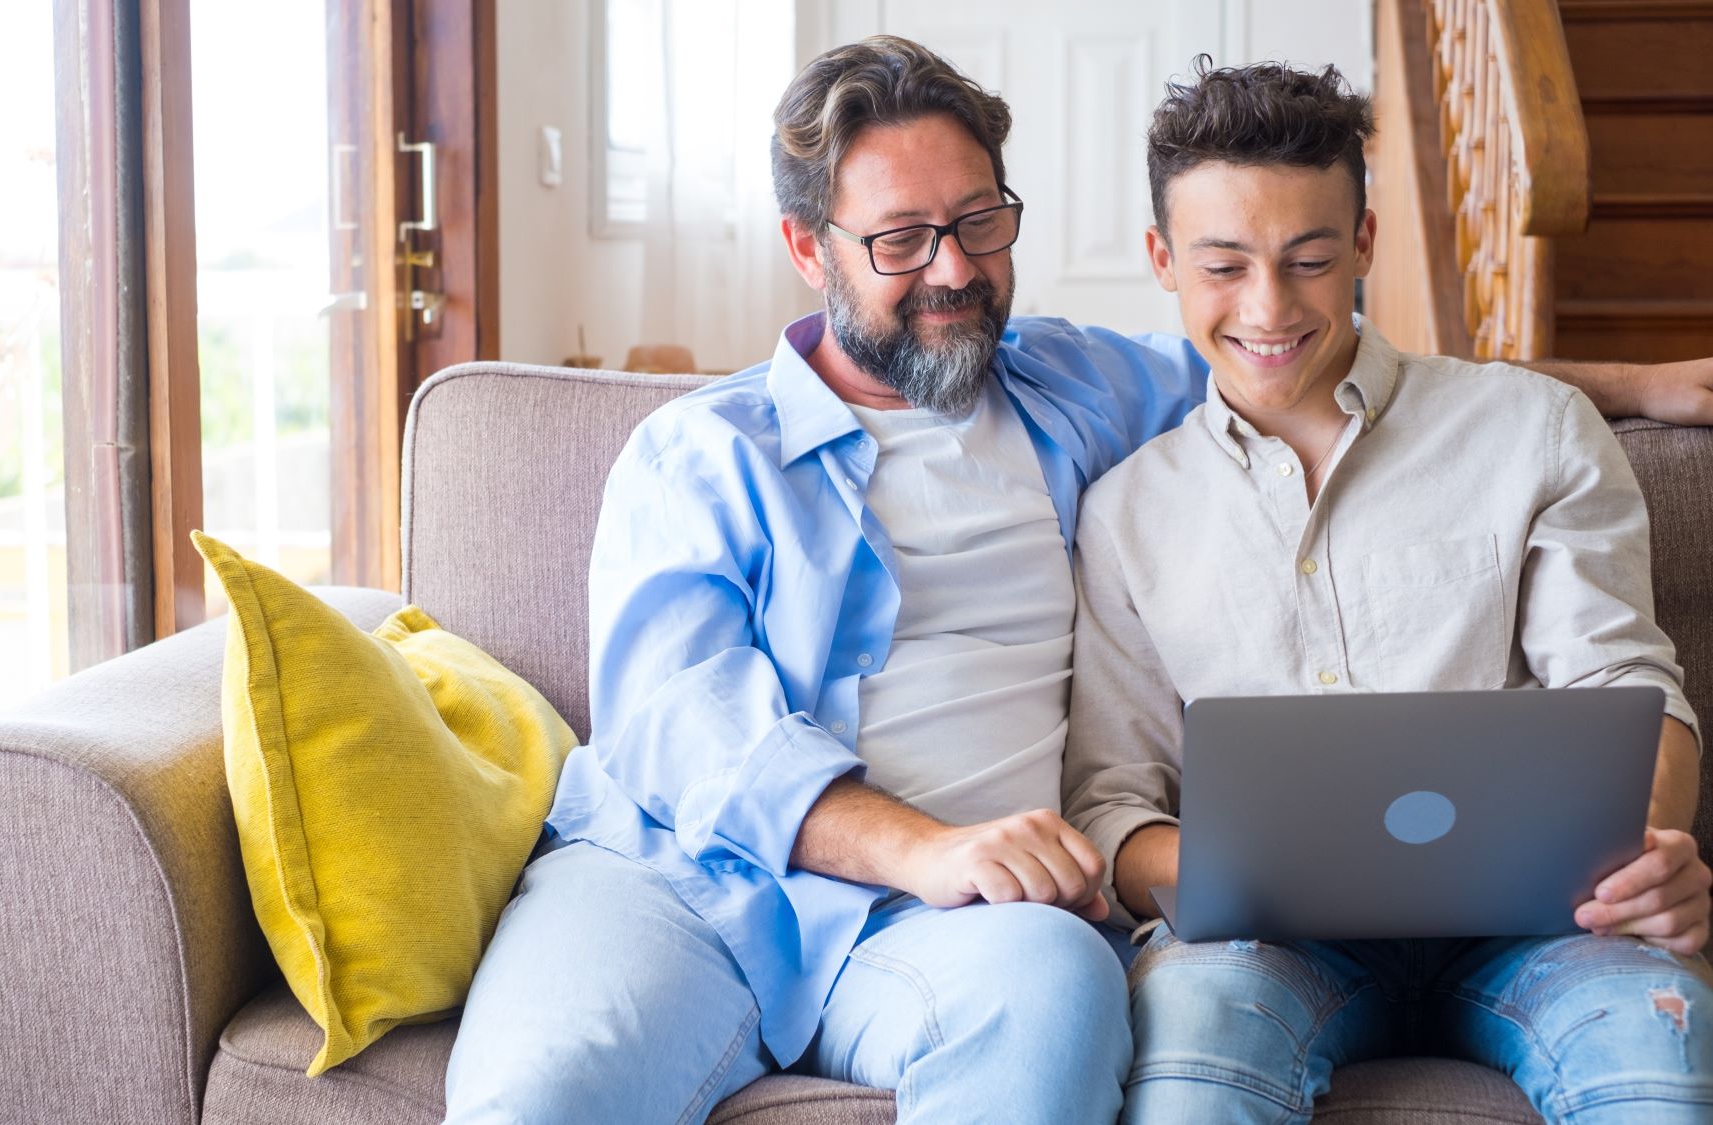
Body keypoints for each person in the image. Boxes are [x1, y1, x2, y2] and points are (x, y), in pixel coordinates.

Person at [443, 37, 1713, 1125]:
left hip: (958, 931)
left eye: (978, 222)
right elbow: (679, 728)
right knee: (540, 1092)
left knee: (1054, 1006)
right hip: (682, 888)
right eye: (898, 238)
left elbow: (1306, 355)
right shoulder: (701, 453)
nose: (950, 269)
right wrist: (926, 850)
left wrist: (1632, 389)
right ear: (804, 245)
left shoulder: (1077, 393)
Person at [1062, 59, 1713, 1123]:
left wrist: (1643, 852)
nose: (1266, 308)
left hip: (1545, 928)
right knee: (1189, 1062)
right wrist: (1249, 870)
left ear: (1361, 245)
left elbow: (1625, 683)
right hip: (1262, 949)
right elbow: (1110, 805)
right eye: (1221, 266)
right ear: (1160, 261)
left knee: (1656, 1047)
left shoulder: (1530, 430)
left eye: (1308, 259)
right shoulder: (1127, 510)